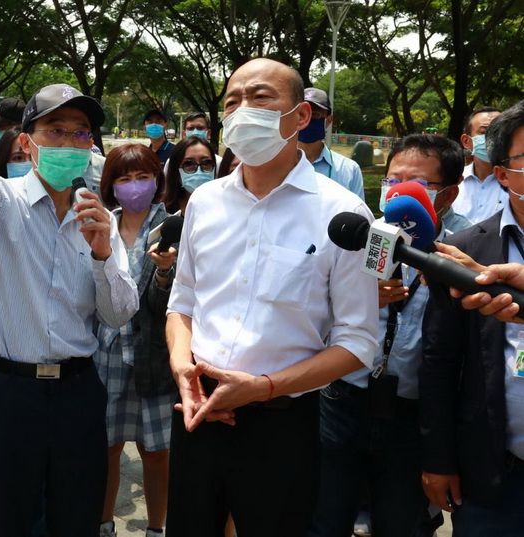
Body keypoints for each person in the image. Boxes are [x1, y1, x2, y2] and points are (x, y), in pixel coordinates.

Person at [0, 48, 138, 536]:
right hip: (5, 390)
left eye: (80, 132)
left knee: (76, 514)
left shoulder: (97, 217)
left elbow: (118, 314)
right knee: (0, 515)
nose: (69, 141)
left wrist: (105, 254)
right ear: (28, 141)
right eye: (55, 130)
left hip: (77, 392)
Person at [165, 58, 378, 536]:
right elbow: (183, 303)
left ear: (301, 116)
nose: (243, 111)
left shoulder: (344, 213)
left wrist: (262, 387)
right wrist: (183, 369)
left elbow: (359, 341)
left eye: (260, 98)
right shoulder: (204, 202)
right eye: (231, 102)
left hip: (283, 425)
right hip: (198, 411)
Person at [309, 134, 469, 537]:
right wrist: (359, 301)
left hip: (413, 415)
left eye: (415, 184)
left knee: (398, 525)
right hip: (343, 401)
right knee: (325, 520)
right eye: (392, 180)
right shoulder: (361, 236)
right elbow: (314, 315)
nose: (399, 192)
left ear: (448, 194)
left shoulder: (463, 250)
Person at [419, 101, 524, 536]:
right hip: (495, 476)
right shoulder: (468, 252)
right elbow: (439, 362)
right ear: (502, 175)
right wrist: (438, 459)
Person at [94, 144, 177, 537]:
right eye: (124, 178)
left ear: (157, 180)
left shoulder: (174, 226)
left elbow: (179, 298)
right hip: (106, 353)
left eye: (142, 176)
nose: (134, 186)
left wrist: (164, 274)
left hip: (154, 354)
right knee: (106, 448)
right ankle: (104, 522)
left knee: (156, 451)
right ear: (111, 185)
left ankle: (156, 528)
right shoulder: (100, 224)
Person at [298, 87, 365, 200]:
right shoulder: (275, 166)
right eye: (302, 114)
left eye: (314, 114)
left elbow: (357, 215)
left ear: (328, 121)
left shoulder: (348, 169)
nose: (307, 120)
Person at [451, 106, 503, 222]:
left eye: (499, 131)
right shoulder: (452, 182)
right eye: (484, 132)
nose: (493, 138)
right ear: (466, 141)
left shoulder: (518, 183)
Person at [163, 136, 217, 214]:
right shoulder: (163, 211)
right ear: (176, 171)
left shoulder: (225, 208)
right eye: (189, 163)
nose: (199, 171)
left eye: (206, 162)